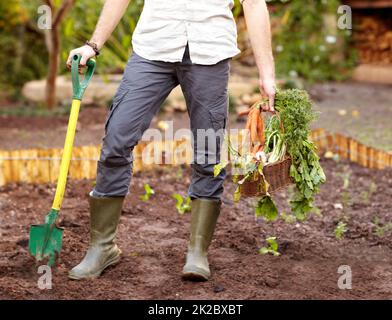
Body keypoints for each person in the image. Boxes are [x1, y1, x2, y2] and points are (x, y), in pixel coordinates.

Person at [66, 0, 276, 281]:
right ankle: (102, 248)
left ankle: (197, 251)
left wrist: (267, 74)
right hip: (153, 48)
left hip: (210, 52)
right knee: (117, 140)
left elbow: (253, 4)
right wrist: (92, 46)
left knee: (208, 153)